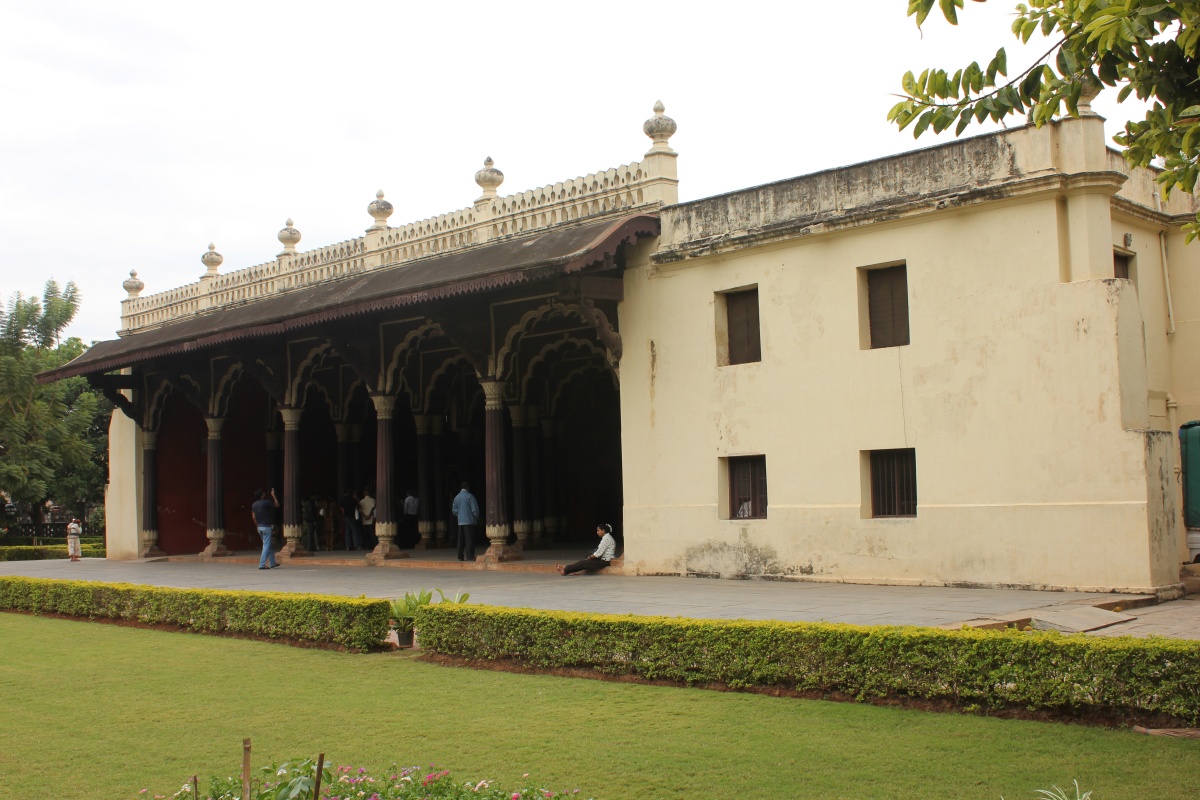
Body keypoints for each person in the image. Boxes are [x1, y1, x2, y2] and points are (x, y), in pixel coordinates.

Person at [252, 488, 280, 570]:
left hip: (259, 527)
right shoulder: (266, 502)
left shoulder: (254, 505)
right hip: (266, 526)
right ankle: (262, 564)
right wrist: (274, 496)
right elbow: (277, 505)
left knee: (268, 545)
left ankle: (272, 563)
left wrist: (257, 525)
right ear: (262, 495)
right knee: (266, 545)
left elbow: (253, 517)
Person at [451, 482, 480, 561]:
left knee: (460, 539)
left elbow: (454, 511)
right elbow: (475, 510)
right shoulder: (470, 497)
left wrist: (460, 515)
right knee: (469, 539)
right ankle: (470, 556)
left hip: (460, 521)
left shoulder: (456, 497)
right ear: (468, 488)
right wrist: (476, 517)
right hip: (469, 521)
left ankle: (460, 556)